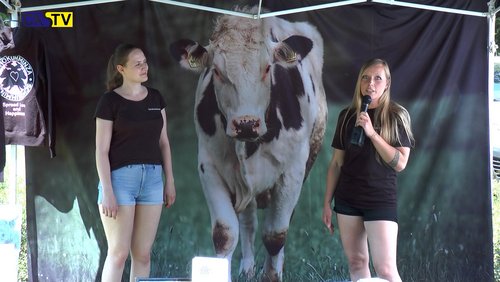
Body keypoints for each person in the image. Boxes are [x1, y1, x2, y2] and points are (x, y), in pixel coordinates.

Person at [322, 58, 414, 282]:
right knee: (357, 263)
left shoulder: (397, 116)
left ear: (387, 83)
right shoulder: (347, 116)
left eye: (377, 78)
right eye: (365, 77)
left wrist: (372, 133)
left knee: (385, 270)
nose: (370, 83)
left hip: (379, 199)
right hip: (347, 200)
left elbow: (400, 163)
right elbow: (336, 163)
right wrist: (327, 202)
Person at [95, 43, 176, 282]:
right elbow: (100, 151)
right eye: (137, 64)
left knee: (142, 255)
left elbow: (164, 143)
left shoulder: (156, 98)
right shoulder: (109, 102)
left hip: (152, 180)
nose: (144, 67)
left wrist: (169, 180)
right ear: (121, 69)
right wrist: (107, 190)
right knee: (118, 254)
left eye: (145, 62)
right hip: (120, 181)